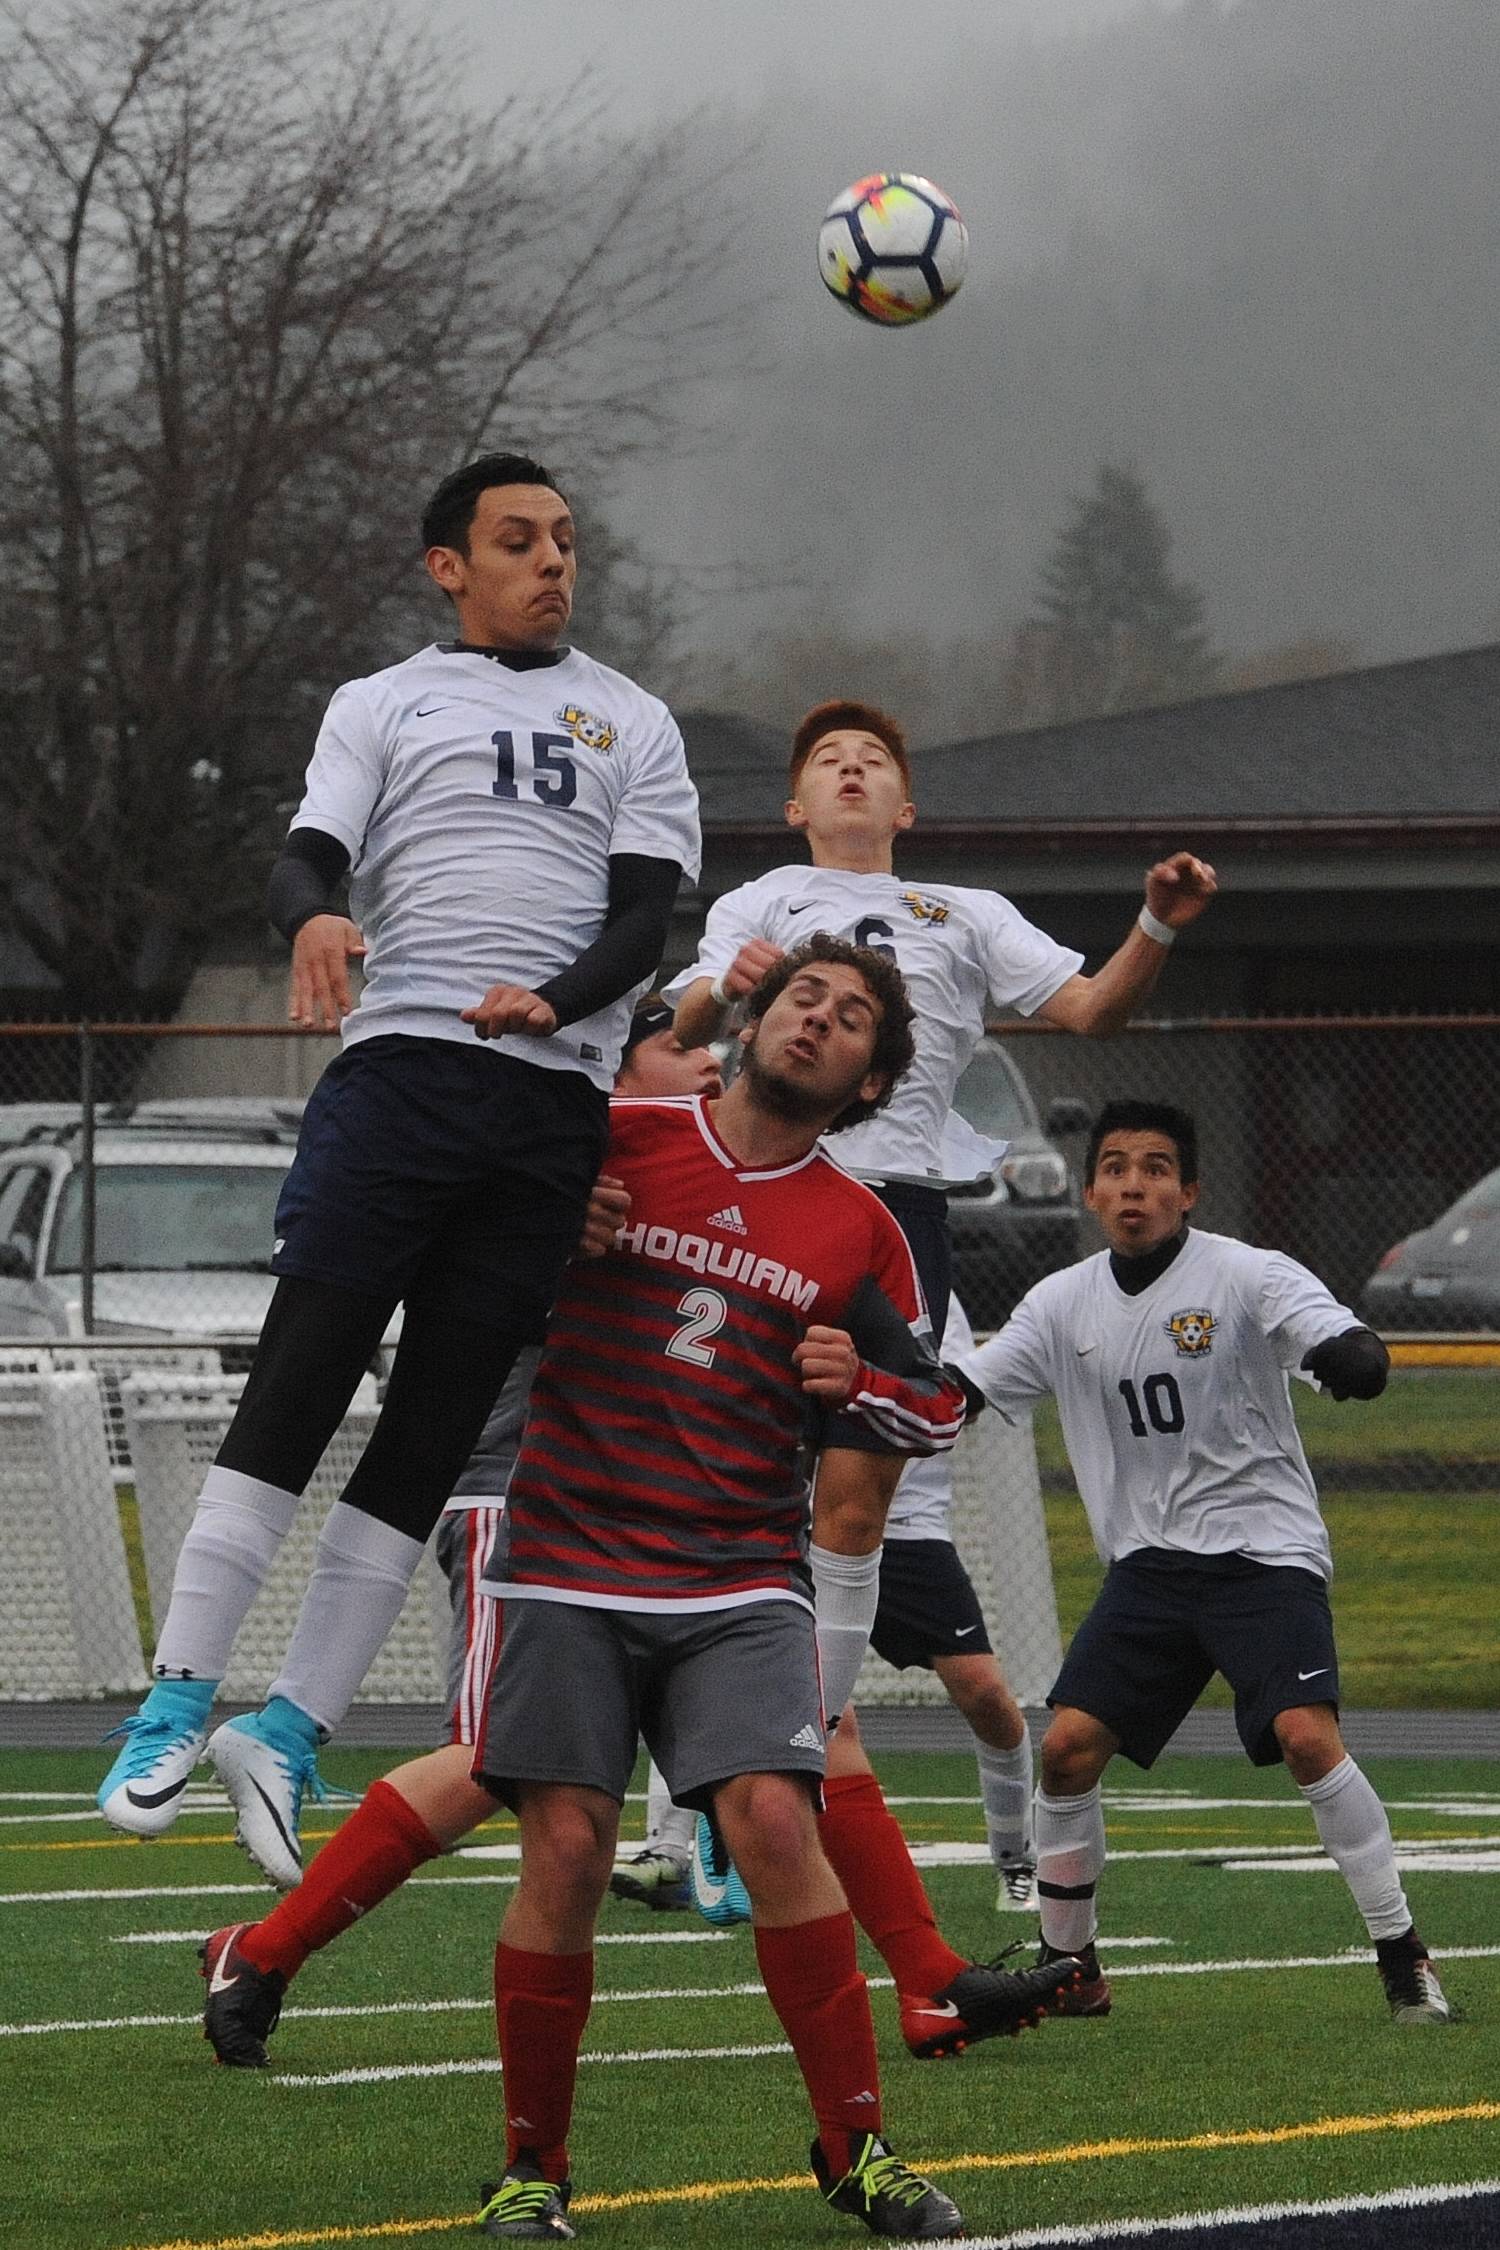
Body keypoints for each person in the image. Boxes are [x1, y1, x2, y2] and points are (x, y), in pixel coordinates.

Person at [200, 938, 1084, 2242]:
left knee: (780, 1824)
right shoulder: (609, 1138)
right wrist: (549, 1221)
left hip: (736, 1575)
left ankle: (858, 2146)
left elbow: (938, 1408)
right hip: (561, 1557)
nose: (818, 1023)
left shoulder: (863, 1230)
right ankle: (532, 2171)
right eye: (804, 999)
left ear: (868, 1082)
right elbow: (450, 1245)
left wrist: (866, 1385)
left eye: (850, 1023)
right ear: (754, 1019)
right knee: (564, 1843)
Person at [98, 452, 701, 1889]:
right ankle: (177, 1697)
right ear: (449, 565)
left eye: (566, 540)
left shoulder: (636, 719)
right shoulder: (384, 701)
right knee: (302, 1375)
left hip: (548, 1102)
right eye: (518, 540)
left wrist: (558, 1003)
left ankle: (290, 1729)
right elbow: (309, 856)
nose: (553, 562)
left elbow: (643, 922)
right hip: (405, 1075)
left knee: (432, 1431)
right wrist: (314, 920)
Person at [664, 699, 1216, 1737]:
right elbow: (682, 1021)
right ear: (796, 803)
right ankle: (676, 1807)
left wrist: (1152, 927)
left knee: (859, 1504)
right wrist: (719, 994)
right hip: (768, 1199)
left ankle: (797, 1748)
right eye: (829, 760)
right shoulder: (764, 899)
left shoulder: (964, 912)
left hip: (897, 1219)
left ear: (906, 807)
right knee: (726, 1493)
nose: (853, 771)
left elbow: (1094, 1012)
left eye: (873, 759)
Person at [956, 1099, 1456, 2027]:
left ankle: (1405, 1957)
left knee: (1309, 1740)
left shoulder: (1244, 1273)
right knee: (1065, 1753)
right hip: (1150, 1569)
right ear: (1093, 1191)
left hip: (1263, 1555)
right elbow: (968, 1394)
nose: (1131, 1185)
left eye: (1153, 1168)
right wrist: (891, 1390)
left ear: (1187, 1191)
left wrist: (1356, 1355)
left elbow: (1335, 1337)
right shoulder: (1061, 1303)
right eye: (1113, 1167)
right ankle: (1071, 1972)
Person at [620, 1293, 1040, 1924]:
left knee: (983, 1693)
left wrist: (858, 1382)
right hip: (797, 1525)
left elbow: (947, 1405)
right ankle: (674, 1846)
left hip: (904, 1527)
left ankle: (1017, 1859)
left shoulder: (923, 1281)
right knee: (735, 1678)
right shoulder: (790, 1267)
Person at [434, 1001, 722, 1748]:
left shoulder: (689, 1171)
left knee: (602, 1752)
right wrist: (553, 1231)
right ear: (616, 1072)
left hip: (625, 1505)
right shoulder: (560, 1153)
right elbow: (453, 1267)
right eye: (683, 1045)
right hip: (512, 1484)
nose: (711, 1061)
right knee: (487, 1752)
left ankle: (672, 1849)